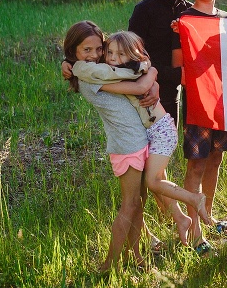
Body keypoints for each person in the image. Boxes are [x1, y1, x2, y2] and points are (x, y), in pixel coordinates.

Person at [73, 30, 212, 246]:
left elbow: (139, 84)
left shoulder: (131, 70)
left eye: (119, 54)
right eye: (109, 53)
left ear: (132, 55)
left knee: (153, 181)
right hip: (149, 131)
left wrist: (152, 72)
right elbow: (92, 66)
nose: (112, 58)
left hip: (161, 130)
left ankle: (194, 199)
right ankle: (181, 219)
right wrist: (68, 63)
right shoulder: (116, 69)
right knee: (157, 178)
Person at [62, 21, 162, 271]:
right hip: (126, 147)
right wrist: (152, 73)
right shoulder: (88, 75)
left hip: (137, 141)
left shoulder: (99, 67)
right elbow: (138, 82)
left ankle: (136, 255)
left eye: (99, 49)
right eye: (87, 50)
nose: (95, 55)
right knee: (129, 204)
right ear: (74, 51)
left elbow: (127, 65)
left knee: (138, 203)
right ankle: (109, 263)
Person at [171, 0, 227, 254]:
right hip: (198, 103)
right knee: (196, 163)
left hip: (224, 102)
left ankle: (207, 216)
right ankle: (194, 231)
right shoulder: (185, 20)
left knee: (216, 158)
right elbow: (177, 66)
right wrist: (199, 86)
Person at [128, 0, 191, 125]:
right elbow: (132, 56)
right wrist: (173, 75)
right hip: (151, 88)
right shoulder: (144, 10)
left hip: (182, 89)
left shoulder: (190, 11)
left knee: (171, 143)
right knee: (155, 145)